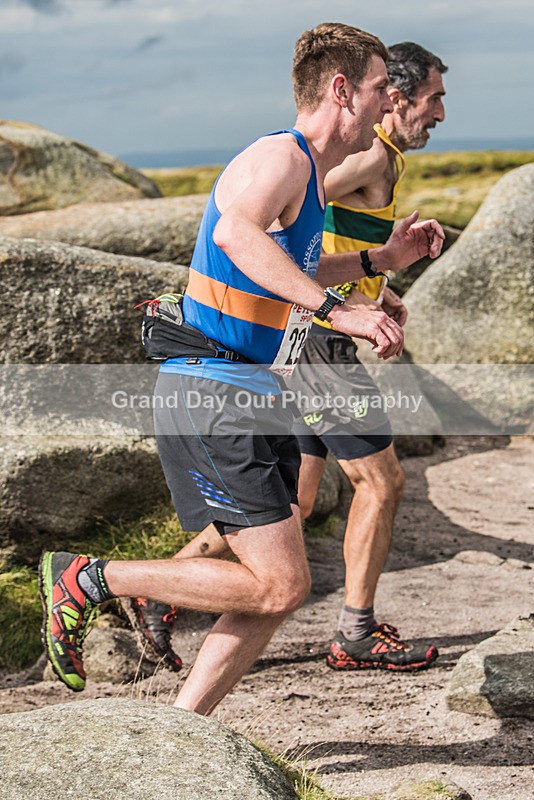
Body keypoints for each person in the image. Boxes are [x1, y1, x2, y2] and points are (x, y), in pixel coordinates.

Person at [39, 24, 444, 714]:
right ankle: (89, 578)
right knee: (281, 586)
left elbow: (290, 265)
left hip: (249, 394)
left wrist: (378, 265)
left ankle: (183, 730)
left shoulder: (309, 177)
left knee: (274, 588)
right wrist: (336, 313)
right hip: (212, 390)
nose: (389, 103)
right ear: (342, 90)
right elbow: (235, 234)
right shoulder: (278, 156)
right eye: (381, 88)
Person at [292, 42, 448, 671]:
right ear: (398, 98)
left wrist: (378, 289)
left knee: (296, 504)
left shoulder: (386, 159)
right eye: (433, 98)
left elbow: (331, 230)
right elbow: (293, 207)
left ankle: (145, 593)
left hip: (307, 334)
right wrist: (334, 306)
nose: (439, 114)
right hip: (318, 340)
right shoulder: (370, 154)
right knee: (381, 482)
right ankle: (355, 633)